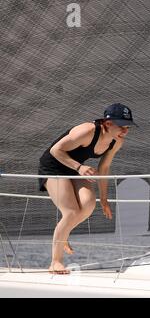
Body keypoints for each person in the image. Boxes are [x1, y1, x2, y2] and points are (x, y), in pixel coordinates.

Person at [38, 103, 137, 274]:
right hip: (53, 166)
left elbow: (104, 168)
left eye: (128, 126)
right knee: (71, 212)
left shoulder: (117, 141)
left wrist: (104, 199)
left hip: (74, 168)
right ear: (107, 123)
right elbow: (55, 150)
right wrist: (79, 168)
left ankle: (63, 228)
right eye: (121, 126)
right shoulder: (87, 130)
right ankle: (56, 262)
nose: (125, 130)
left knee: (89, 204)